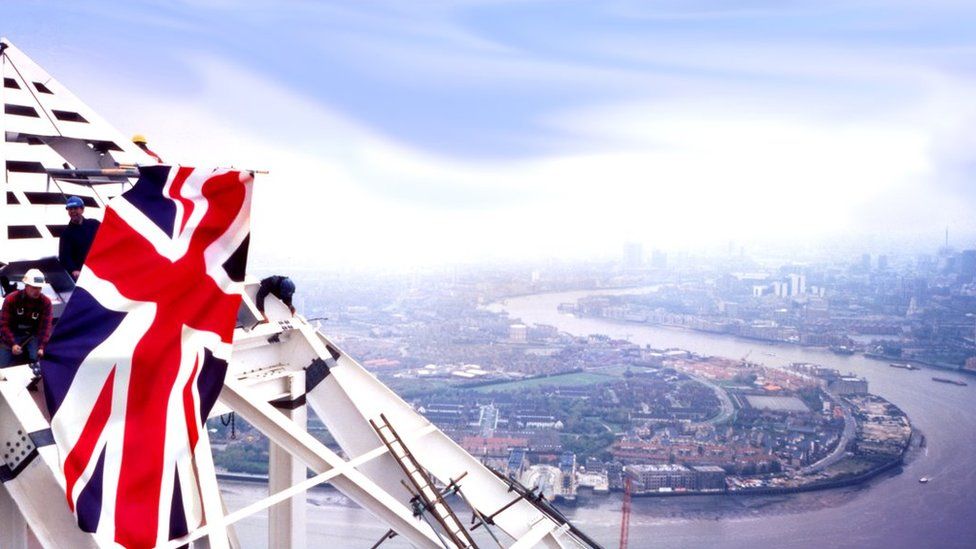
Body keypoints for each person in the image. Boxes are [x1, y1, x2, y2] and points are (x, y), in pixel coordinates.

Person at [0, 269, 53, 367]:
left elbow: (45, 328)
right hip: (12, 334)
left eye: (39, 288)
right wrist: (12, 344)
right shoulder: (11, 299)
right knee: (2, 364)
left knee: (36, 359)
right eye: (34, 287)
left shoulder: (46, 303)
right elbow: (4, 325)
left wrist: (41, 347)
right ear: (26, 286)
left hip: (32, 335)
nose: (37, 291)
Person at [59, 195, 101, 280]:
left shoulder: (94, 224)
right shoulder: (66, 234)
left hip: (99, 268)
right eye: (70, 209)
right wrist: (73, 269)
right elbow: (64, 256)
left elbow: (108, 238)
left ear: (82, 209)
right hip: (82, 274)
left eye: (75, 208)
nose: (73, 211)